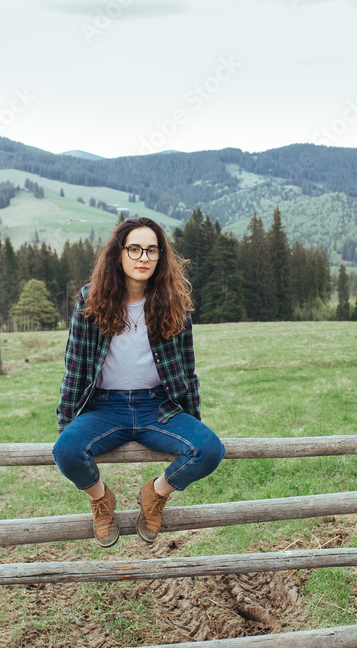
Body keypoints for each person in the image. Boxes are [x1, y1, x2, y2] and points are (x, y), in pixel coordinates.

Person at [53, 217, 225, 547]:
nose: (143, 257)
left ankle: (154, 494)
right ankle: (101, 499)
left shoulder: (175, 301)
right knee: (65, 450)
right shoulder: (90, 300)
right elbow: (75, 367)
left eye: (151, 250)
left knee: (210, 450)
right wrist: (66, 424)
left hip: (157, 408)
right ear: (119, 253)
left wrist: (192, 421)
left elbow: (187, 370)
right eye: (134, 249)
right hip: (104, 408)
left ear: (161, 257)